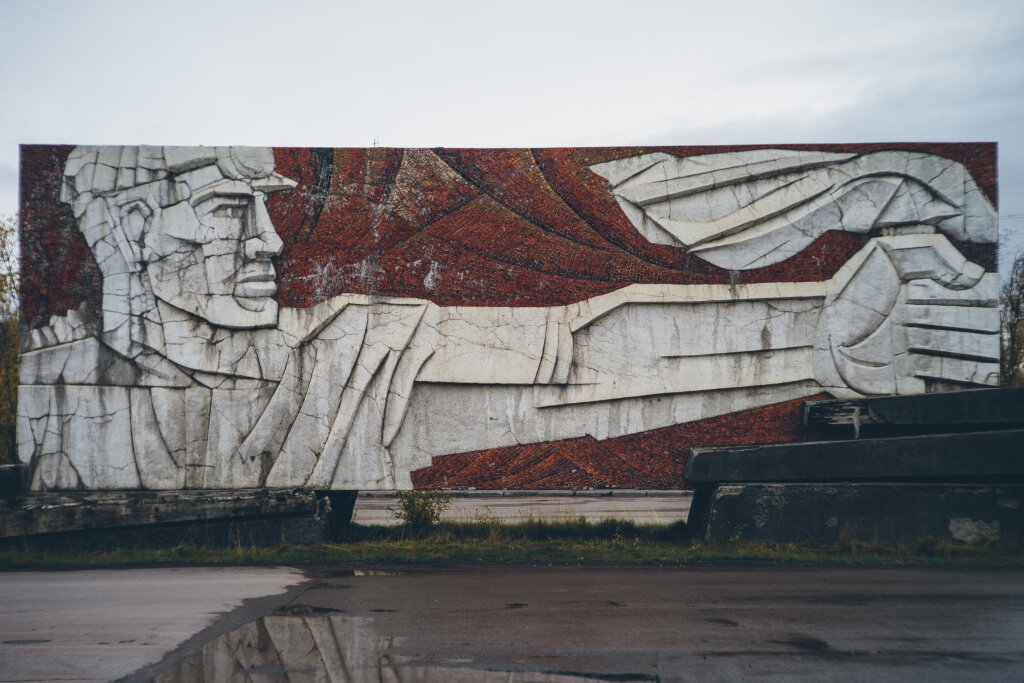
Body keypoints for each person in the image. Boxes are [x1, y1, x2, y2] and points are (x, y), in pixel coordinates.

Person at [17, 146, 1000, 491]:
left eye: (268, 214)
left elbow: (576, 354)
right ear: (138, 226)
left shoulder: (344, 347)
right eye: (234, 210)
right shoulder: (62, 391)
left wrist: (821, 329)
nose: (272, 247)